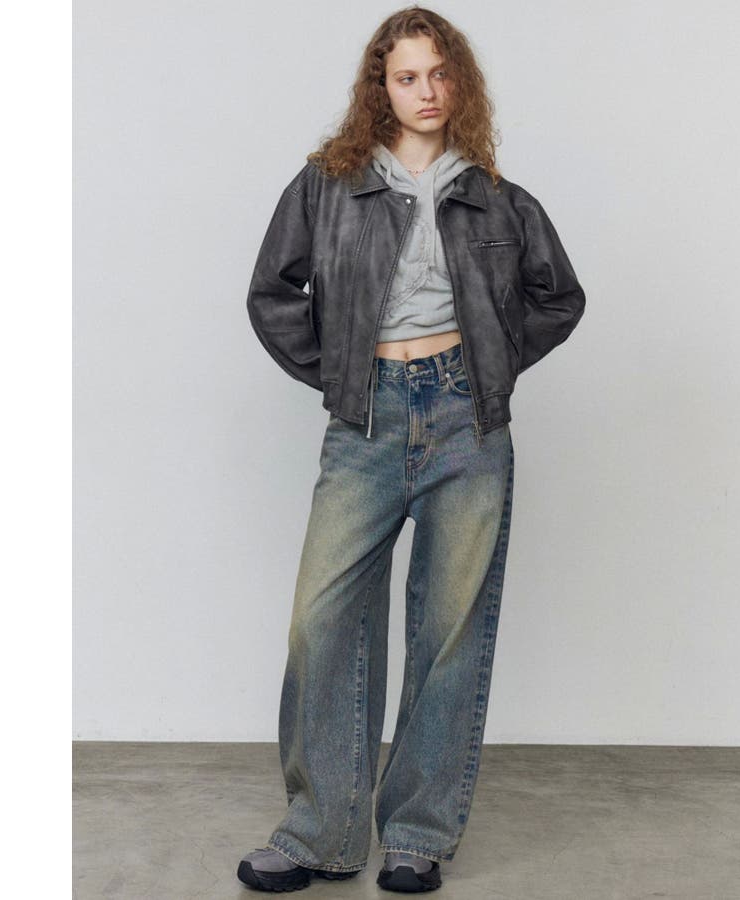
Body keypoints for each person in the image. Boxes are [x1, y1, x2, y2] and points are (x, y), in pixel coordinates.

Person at [237, 6, 585, 893]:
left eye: (439, 73)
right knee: (322, 622)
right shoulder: (328, 185)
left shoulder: (498, 197)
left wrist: (487, 366)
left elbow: (559, 296)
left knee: (449, 630)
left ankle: (417, 835)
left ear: (458, 82)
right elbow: (273, 290)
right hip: (366, 423)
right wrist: (342, 375)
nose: (425, 91)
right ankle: (319, 832)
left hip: (469, 422)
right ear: (380, 88)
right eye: (406, 77)